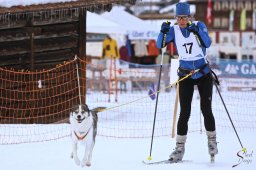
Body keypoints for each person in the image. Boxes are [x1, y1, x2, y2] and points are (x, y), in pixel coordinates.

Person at [156, 2, 218, 162]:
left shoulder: (199, 25)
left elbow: (207, 43)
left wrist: (197, 32)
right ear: (176, 18)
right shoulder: (173, 30)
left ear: (189, 17)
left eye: (184, 17)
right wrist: (162, 32)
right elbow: (159, 45)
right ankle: (179, 148)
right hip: (185, 76)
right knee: (184, 113)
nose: (182, 21)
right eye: (179, 18)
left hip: (203, 73)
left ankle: (212, 143)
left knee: (206, 109)